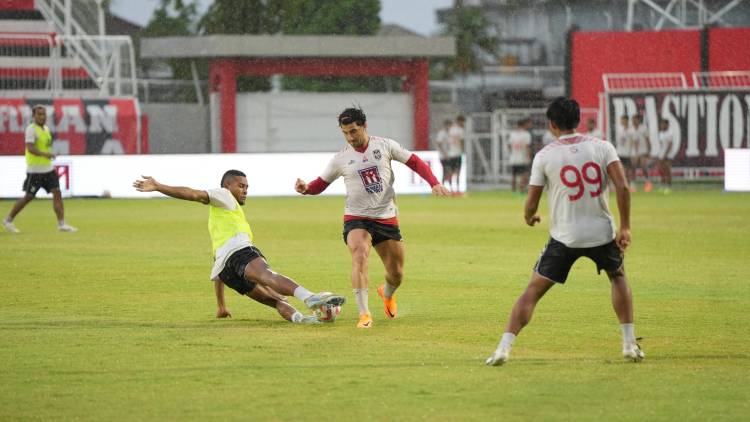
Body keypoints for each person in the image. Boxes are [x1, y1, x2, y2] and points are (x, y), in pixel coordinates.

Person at [486, 97, 644, 366]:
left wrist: (529, 216)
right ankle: (629, 344)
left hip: (565, 237)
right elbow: (623, 186)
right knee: (618, 277)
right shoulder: (602, 147)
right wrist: (626, 226)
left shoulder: (545, 155)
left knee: (532, 291)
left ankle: (503, 348)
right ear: (578, 120)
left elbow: (531, 202)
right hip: (602, 233)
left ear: (552, 124)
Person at [295, 107, 450, 328]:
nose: (350, 137)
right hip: (356, 217)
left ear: (364, 126)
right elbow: (321, 183)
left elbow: (414, 161)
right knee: (359, 254)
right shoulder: (340, 158)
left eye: (354, 131)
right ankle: (364, 314)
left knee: (396, 274)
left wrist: (433, 182)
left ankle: (386, 293)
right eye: (345, 132)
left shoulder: (385, 146)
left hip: (386, 217)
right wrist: (306, 188)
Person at [133, 170, 345, 324]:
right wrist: (159, 186)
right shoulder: (223, 196)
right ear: (227, 186)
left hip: (226, 270)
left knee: (276, 300)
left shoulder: (220, 222)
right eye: (241, 186)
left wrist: (221, 306)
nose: (245, 190)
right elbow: (193, 194)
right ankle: (310, 297)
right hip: (240, 253)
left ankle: (306, 320)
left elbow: (217, 268)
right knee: (268, 276)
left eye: (247, 187)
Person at [3, 105, 77, 233]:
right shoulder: (31, 130)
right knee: (28, 197)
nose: (42, 116)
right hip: (35, 171)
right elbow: (30, 148)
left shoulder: (46, 129)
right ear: (33, 116)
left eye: (43, 114)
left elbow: (44, 147)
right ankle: (8, 220)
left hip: (48, 169)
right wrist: (45, 154)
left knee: (57, 193)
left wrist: (50, 154)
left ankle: (61, 224)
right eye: (39, 114)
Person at [506, 117, 533, 192]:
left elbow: (509, 146)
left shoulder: (512, 134)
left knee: (514, 174)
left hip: (513, 157)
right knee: (524, 173)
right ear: (525, 124)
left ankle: (513, 190)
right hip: (522, 158)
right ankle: (521, 189)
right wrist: (529, 157)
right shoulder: (526, 134)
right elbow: (528, 147)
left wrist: (512, 152)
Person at [631, 114, 652, 192]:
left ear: (638, 120)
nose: (633, 121)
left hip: (643, 151)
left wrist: (649, 151)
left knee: (643, 166)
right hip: (634, 152)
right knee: (632, 167)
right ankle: (632, 185)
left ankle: (648, 182)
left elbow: (648, 140)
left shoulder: (643, 129)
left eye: (634, 119)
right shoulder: (632, 129)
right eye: (632, 120)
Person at [446, 115, 466, 194]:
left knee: (451, 172)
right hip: (457, 153)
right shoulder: (460, 130)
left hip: (450, 153)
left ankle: (451, 190)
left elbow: (448, 141)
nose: (463, 123)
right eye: (463, 122)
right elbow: (461, 141)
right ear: (460, 121)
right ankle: (457, 190)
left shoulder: (451, 129)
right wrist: (463, 150)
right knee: (458, 172)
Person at [615, 115, 634, 190]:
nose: (621, 121)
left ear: (626, 120)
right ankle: (621, 186)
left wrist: (632, 152)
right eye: (621, 120)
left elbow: (632, 142)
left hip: (627, 154)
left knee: (627, 171)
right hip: (620, 153)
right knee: (620, 171)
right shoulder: (620, 129)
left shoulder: (631, 130)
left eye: (622, 120)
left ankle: (628, 185)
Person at [434, 119, 454, 188]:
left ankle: (449, 188)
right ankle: (444, 188)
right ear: (446, 125)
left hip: (450, 155)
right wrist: (444, 154)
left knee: (449, 172)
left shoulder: (450, 133)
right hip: (443, 156)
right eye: (449, 125)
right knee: (447, 171)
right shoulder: (442, 133)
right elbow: (439, 143)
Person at [657, 118, 674, 192]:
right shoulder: (661, 133)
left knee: (667, 171)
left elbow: (670, 145)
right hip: (661, 154)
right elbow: (661, 145)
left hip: (668, 155)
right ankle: (662, 185)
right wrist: (660, 153)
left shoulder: (670, 133)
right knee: (661, 170)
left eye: (664, 124)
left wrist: (665, 154)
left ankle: (668, 186)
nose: (662, 125)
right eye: (661, 124)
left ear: (667, 125)